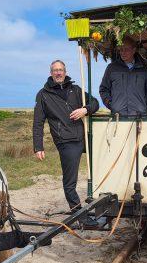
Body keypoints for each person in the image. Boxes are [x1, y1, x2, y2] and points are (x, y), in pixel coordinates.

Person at [33, 60, 99, 211]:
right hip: (66, 141)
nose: (58, 73)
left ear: (65, 72)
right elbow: (38, 122)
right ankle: (78, 212)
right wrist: (38, 146)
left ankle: (101, 199)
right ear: (51, 73)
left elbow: (95, 103)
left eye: (61, 70)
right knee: (70, 182)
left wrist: (85, 110)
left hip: (84, 137)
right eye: (55, 70)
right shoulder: (43, 95)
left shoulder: (75, 89)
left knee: (100, 164)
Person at [98, 37, 147, 116]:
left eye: (126, 49)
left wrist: (145, 105)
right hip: (118, 116)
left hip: (140, 116)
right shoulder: (111, 68)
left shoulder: (144, 69)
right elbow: (103, 89)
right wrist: (112, 105)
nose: (123, 52)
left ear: (134, 50)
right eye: (121, 49)